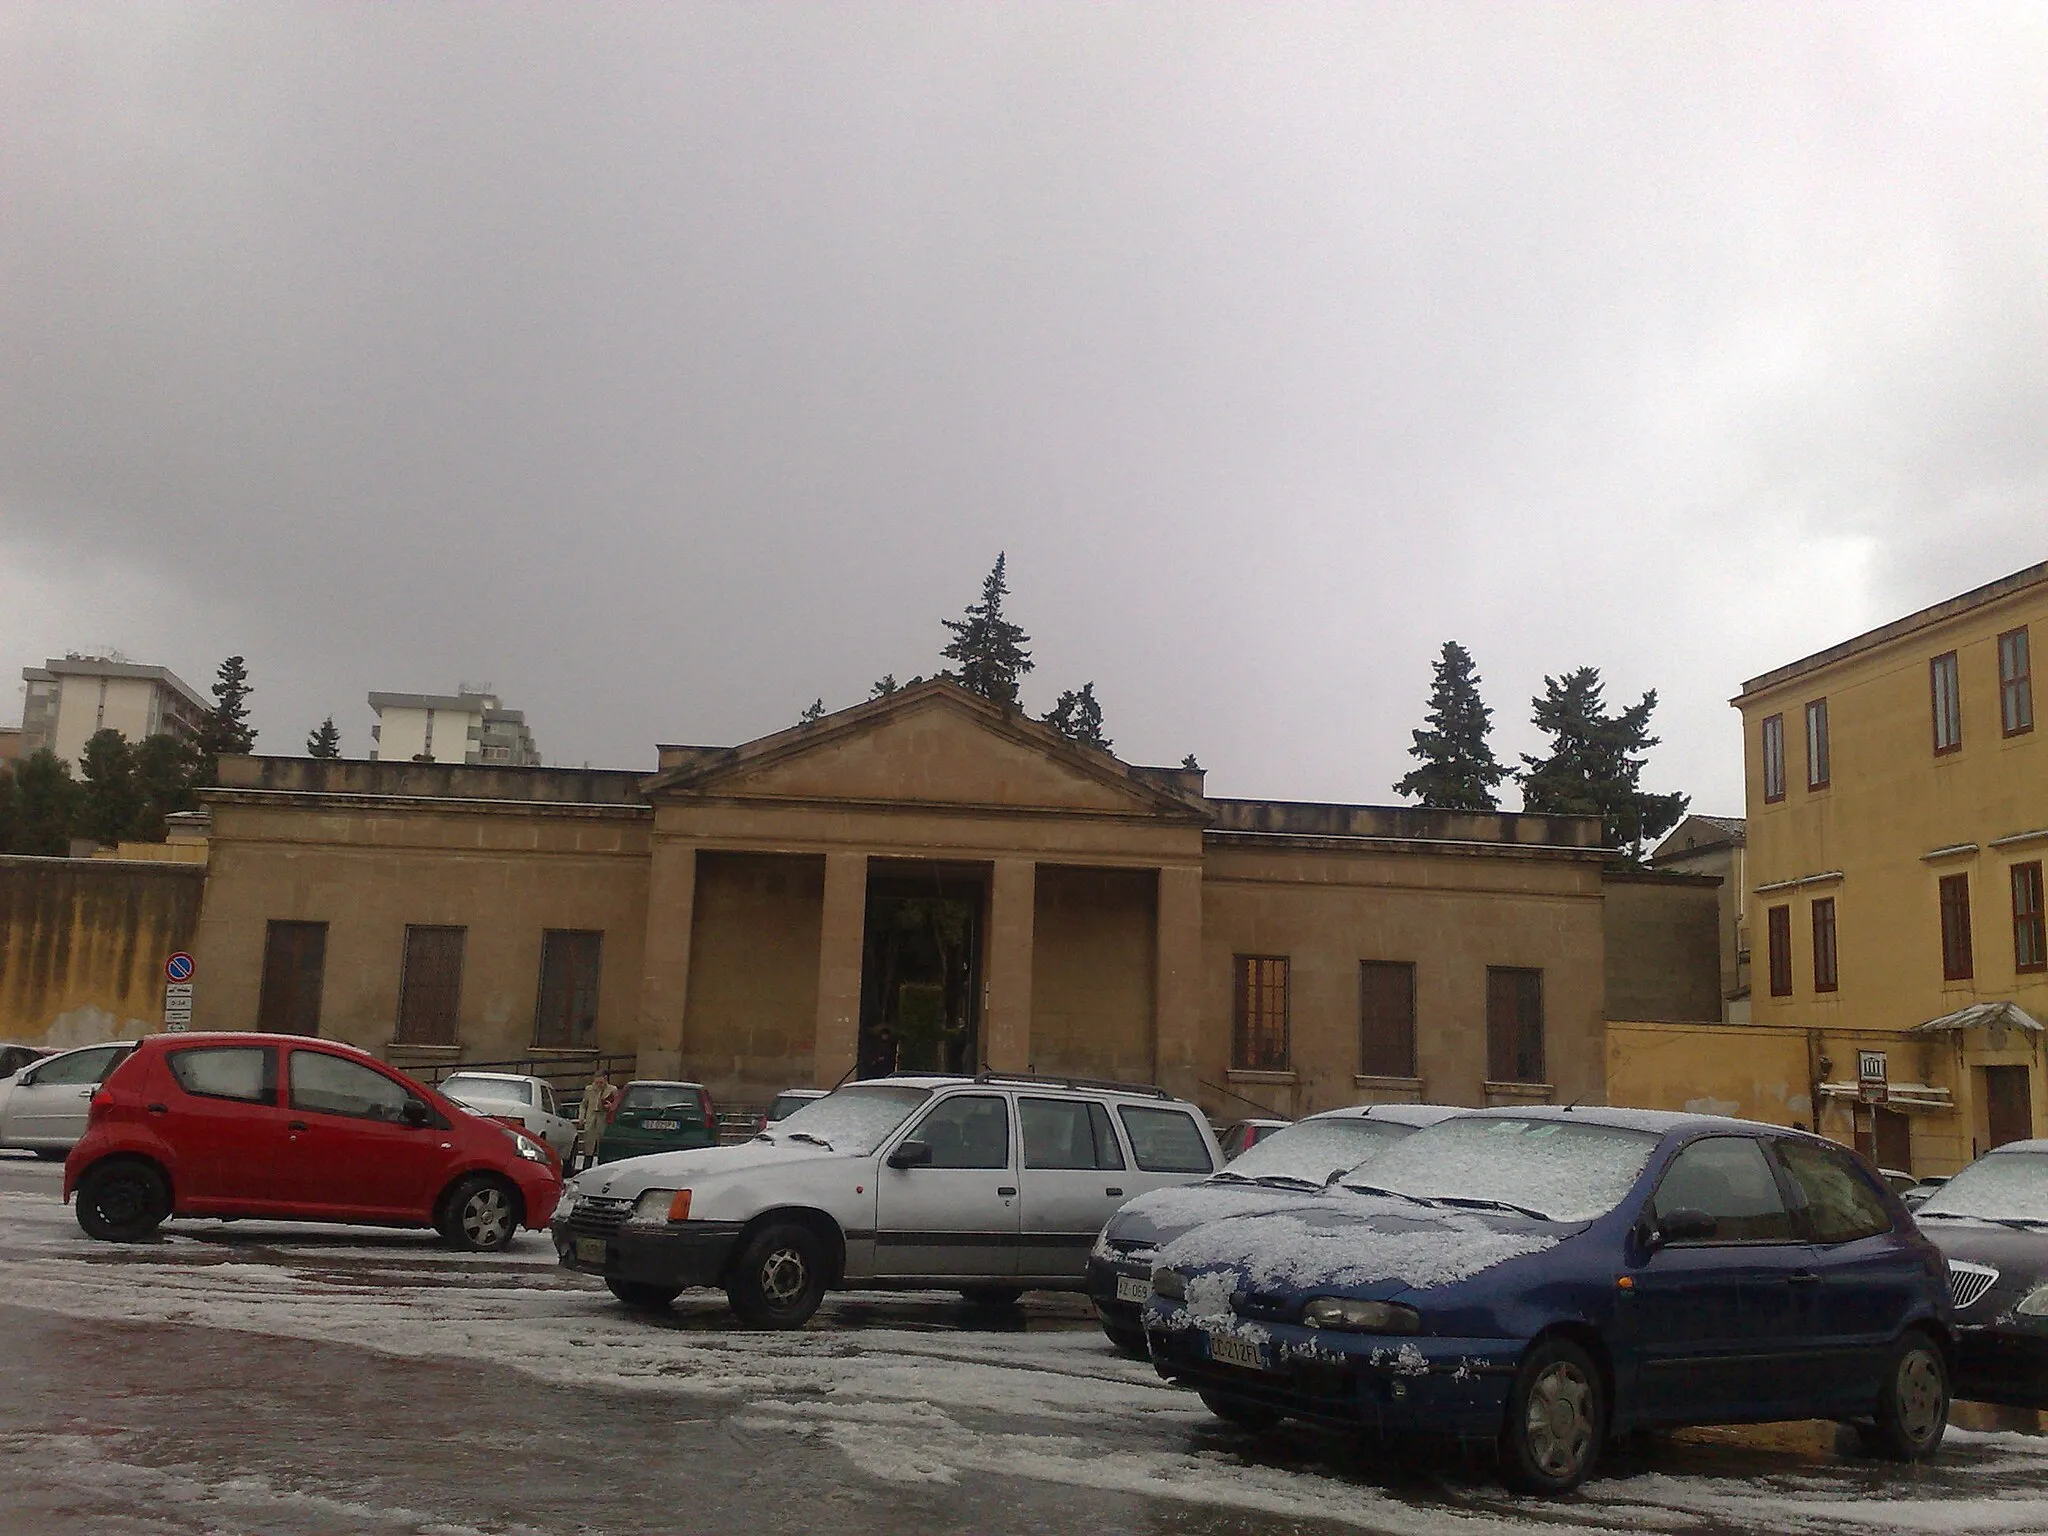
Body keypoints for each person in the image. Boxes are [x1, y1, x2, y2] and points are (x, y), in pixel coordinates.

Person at [577, 1070, 618, 1171]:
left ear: (605, 1080)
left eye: (601, 1083)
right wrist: (581, 1117)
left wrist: (611, 1106)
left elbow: (616, 1104)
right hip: (591, 1119)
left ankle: (602, 1168)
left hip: (603, 1119)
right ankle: (586, 1169)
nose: (599, 1085)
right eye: (597, 1083)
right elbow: (584, 1104)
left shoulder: (612, 1089)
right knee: (589, 1147)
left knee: (602, 1146)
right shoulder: (589, 1089)